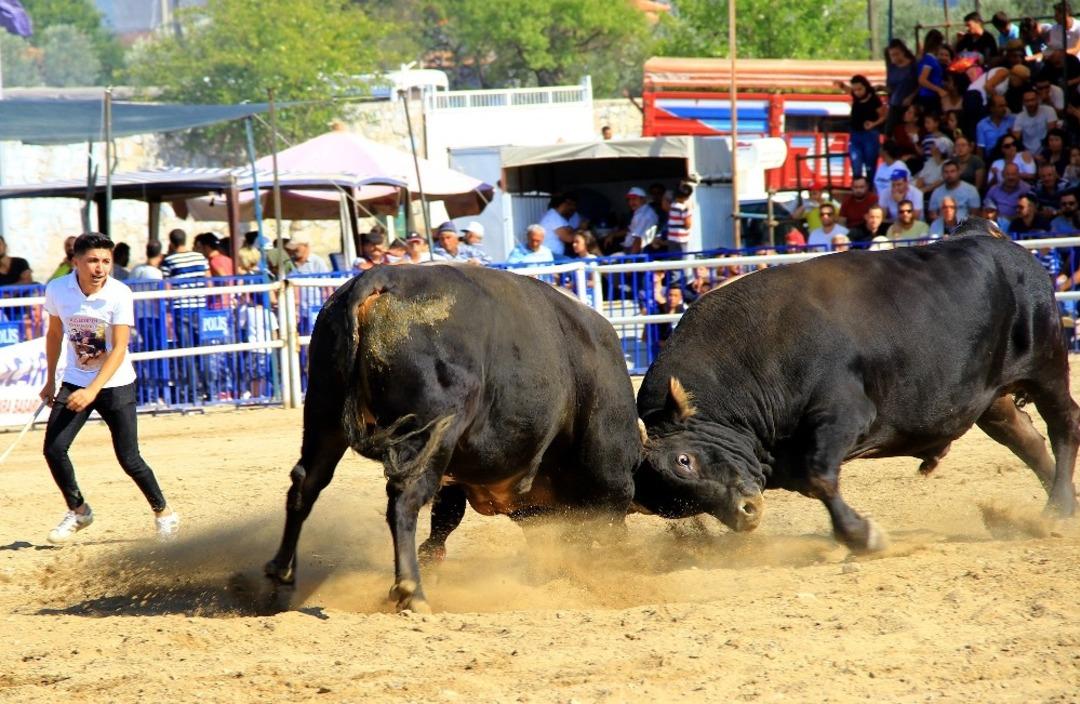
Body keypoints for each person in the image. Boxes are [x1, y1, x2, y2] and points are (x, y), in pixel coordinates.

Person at [39, 232, 179, 544]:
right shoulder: (58, 289)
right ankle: (79, 510)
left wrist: (92, 391)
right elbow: (54, 333)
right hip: (75, 380)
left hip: (116, 384)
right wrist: (50, 380)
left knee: (129, 458)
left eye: (106, 261)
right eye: (92, 260)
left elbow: (119, 349)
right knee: (54, 449)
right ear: (75, 262)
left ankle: (164, 513)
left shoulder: (120, 293)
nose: (100, 267)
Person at [847, 75, 886, 180]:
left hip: (870, 135)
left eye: (860, 89)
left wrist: (873, 124)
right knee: (856, 163)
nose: (857, 92)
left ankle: (869, 189)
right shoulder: (855, 98)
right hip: (855, 134)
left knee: (870, 166)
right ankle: (857, 186)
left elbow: (883, 116)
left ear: (865, 87)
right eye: (855, 90)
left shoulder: (874, 99)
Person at [884, 39, 919, 134]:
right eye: (892, 55)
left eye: (897, 54)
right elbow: (890, 88)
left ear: (903, 52)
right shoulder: (892, 67)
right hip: (894, 104)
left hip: (909, 105)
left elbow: (920, 84)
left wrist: (911, 97)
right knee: (889, 131)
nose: (894, 58)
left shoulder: (913, 66)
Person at [1013, 88, 1061, 153]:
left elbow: (1052, 134)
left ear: (1038, 99)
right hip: (1027, 152)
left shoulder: (1049, 110)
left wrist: (1045, 153)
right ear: (1023, 102)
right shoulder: (1019, 117)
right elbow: (1016, 139)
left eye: (1032, 100)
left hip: (1047, 150)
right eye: (1027, 101)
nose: (1030, 103)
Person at [619, 186, 659, 254]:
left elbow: (638, 239)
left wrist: (631, 259)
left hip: (638, 252)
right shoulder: (639, 212)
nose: (631, 202)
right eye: (629, 199)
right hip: (632, 249)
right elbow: (631, 230)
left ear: (643, 199)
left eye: (634, 199)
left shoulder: (646, 215)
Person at [915, 29, 947, 115]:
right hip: (929, 97)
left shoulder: (928, 58)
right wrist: (939, 89)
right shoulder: (929, 59)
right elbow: (922, 80)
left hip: (930, 96)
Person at [976, 95, 1016, 160]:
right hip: (991, 158)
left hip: (1010, 157)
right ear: (992, 108)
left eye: (1005, 105)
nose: (1004, 109)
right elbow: (980, 148)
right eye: (1000, 106)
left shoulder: (1012, 120)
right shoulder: (982, 125)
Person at [665, 183, 693, 253]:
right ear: (687, 197)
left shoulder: (672, 206)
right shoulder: (684, 209)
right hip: (681, 239)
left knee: (673, 259)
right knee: (682, 261)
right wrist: (689, 211)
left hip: (671, 238)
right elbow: (688, 224)